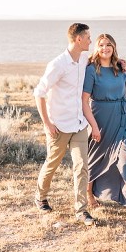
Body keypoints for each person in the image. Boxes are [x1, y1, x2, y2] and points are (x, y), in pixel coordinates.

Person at [33, 23, 100, 226]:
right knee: (52, 164)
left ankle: (81, 210)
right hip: (59, 126)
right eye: (88, 37)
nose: (91, 41)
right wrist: (47, 124)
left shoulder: (84, 59)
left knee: (81, 167)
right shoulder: (57, 64)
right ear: (78, 39)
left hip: (79, 124)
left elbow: (103, 59)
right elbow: (39, 93)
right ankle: (40, 196)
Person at [82, 33, 126, 221]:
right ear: (96, 48)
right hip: (100, 118)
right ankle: (89, 194)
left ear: (114, 47)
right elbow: (84, 101)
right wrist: (94, 126)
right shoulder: (91, 70)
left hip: (123, 116)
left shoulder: (119, 67)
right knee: (95, 158)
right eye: (101, 45)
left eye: (108, 44)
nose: (105, 48)